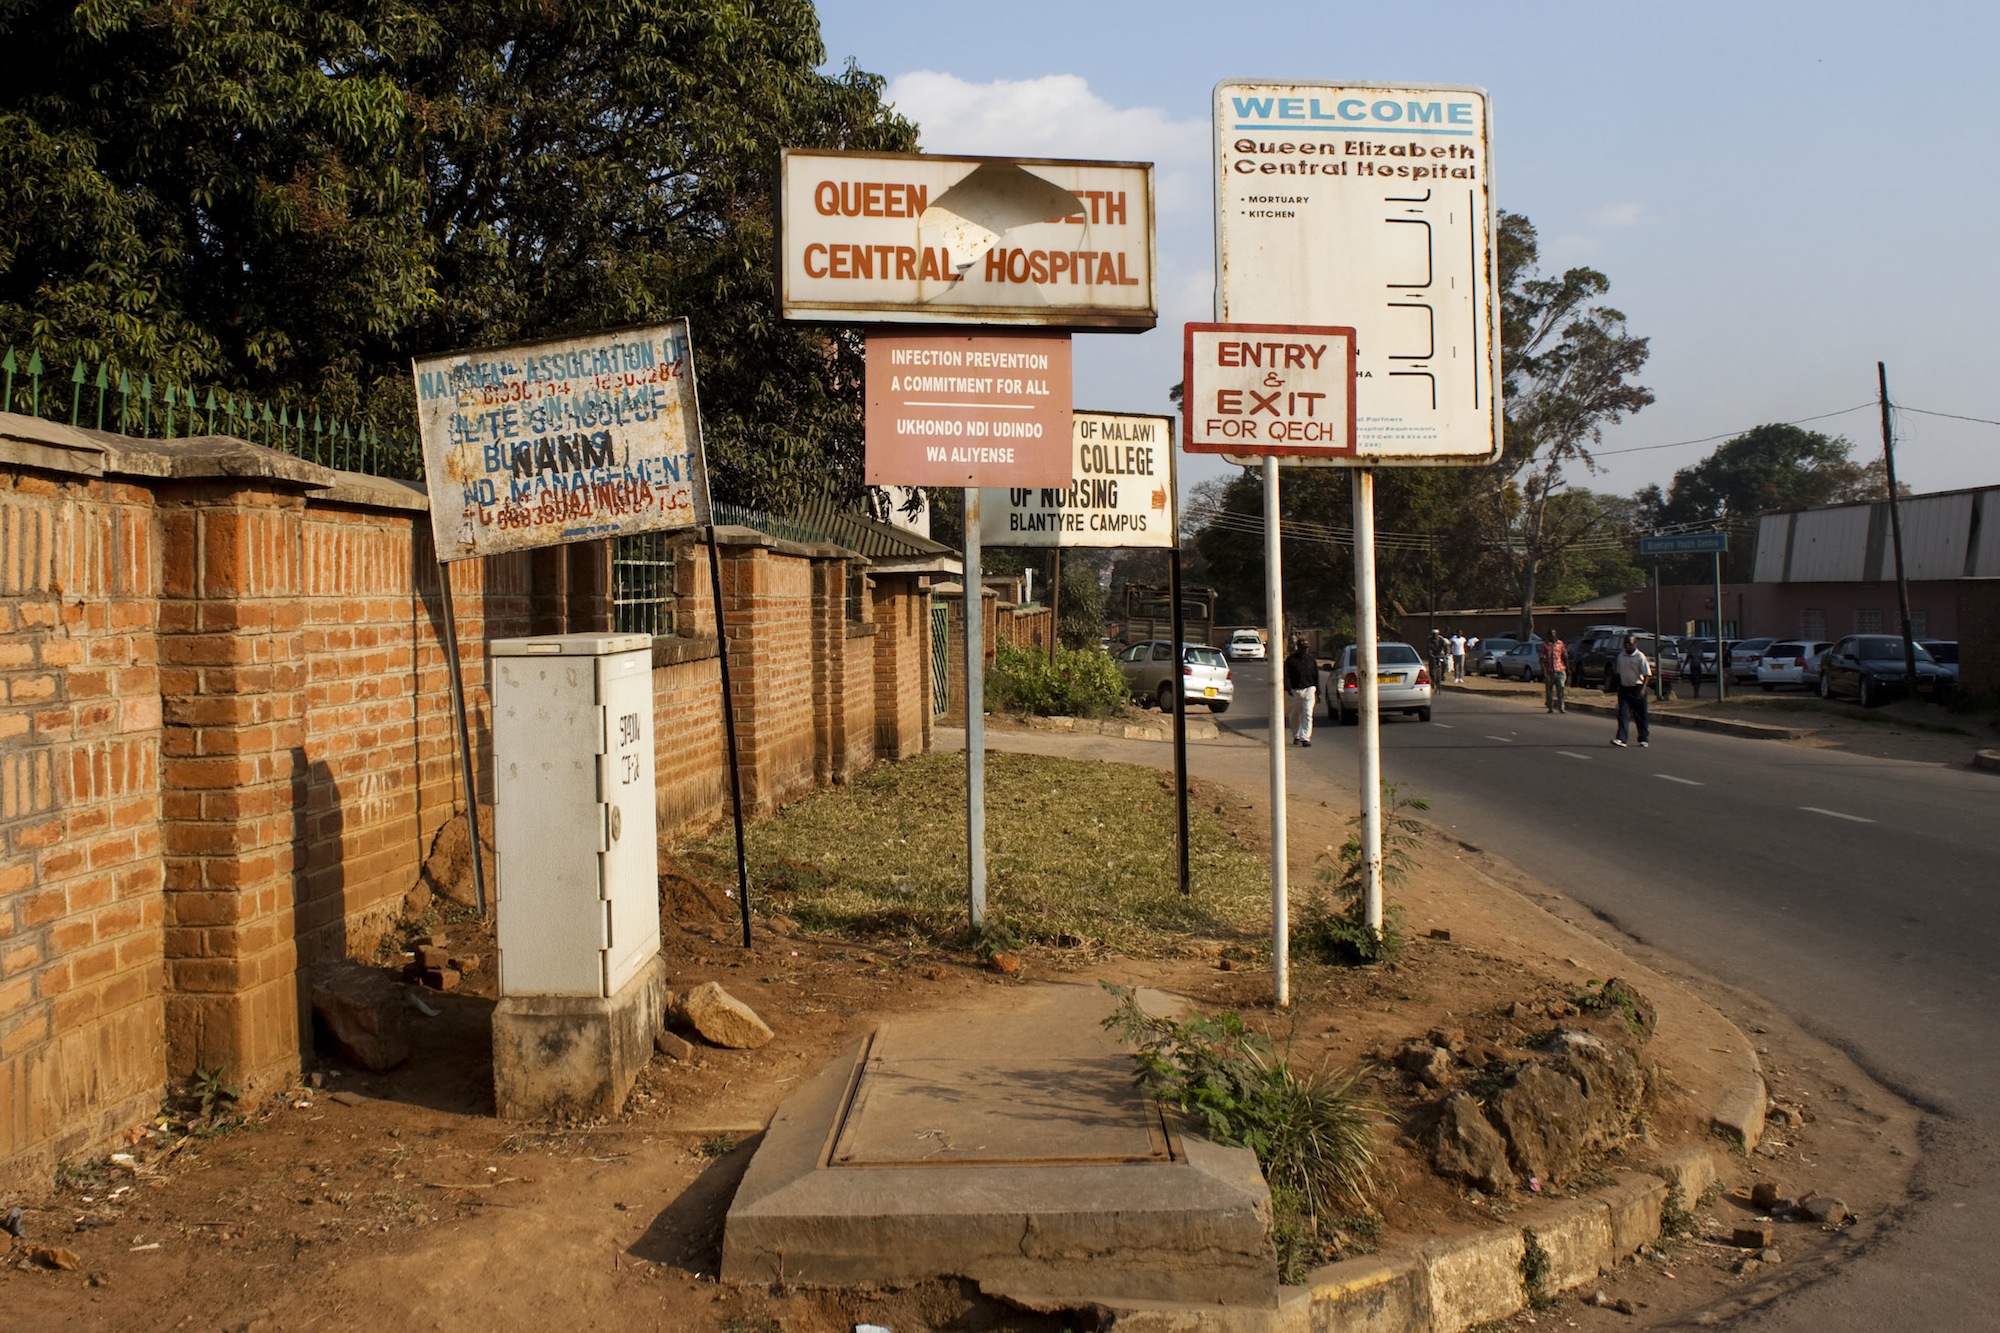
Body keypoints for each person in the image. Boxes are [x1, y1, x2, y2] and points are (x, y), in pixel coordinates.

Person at [1610, 634, 1652, 748]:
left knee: (1640, 715)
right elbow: (1618, 673)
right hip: (1624, 689)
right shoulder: (1621, 656)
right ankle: (1621, 738)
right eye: (1625, 644)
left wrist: (1643, 690)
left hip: (1637, 688)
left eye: (1629, 644)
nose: (1627, 646)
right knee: (1623, 714)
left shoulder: (1640, 657)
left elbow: (1647, 675)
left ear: (1635, 644)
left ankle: (1643, 738)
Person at [1282, 635, 1317, 746]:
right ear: (1298, 647)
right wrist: (1288, 688)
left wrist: (1318, 691)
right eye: (1303, 647)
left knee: (1307, 713)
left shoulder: (1311, 660)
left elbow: (1316, 676)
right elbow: (1286, 675)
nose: (1305, 650)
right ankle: (1296, 735)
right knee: (1294, 715)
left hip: (1309, 689)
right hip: (1295, 691)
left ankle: (1305, 737)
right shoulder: (1291, 660)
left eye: (1306, 647)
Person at [1538, 632, 1568, 713]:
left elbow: (1564, 656)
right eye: (1549, 635)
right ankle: (1550, 707)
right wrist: (1544, 671)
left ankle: (1561, 707)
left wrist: (1568, 669)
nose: (1551, 636)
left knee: (1561, 688)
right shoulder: (1544, 645)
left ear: (1555, 635)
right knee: (1549, 690)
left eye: (1552, 634)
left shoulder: (1560, 644)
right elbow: (1541, 659)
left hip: (1560, 669)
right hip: (1549, 671)